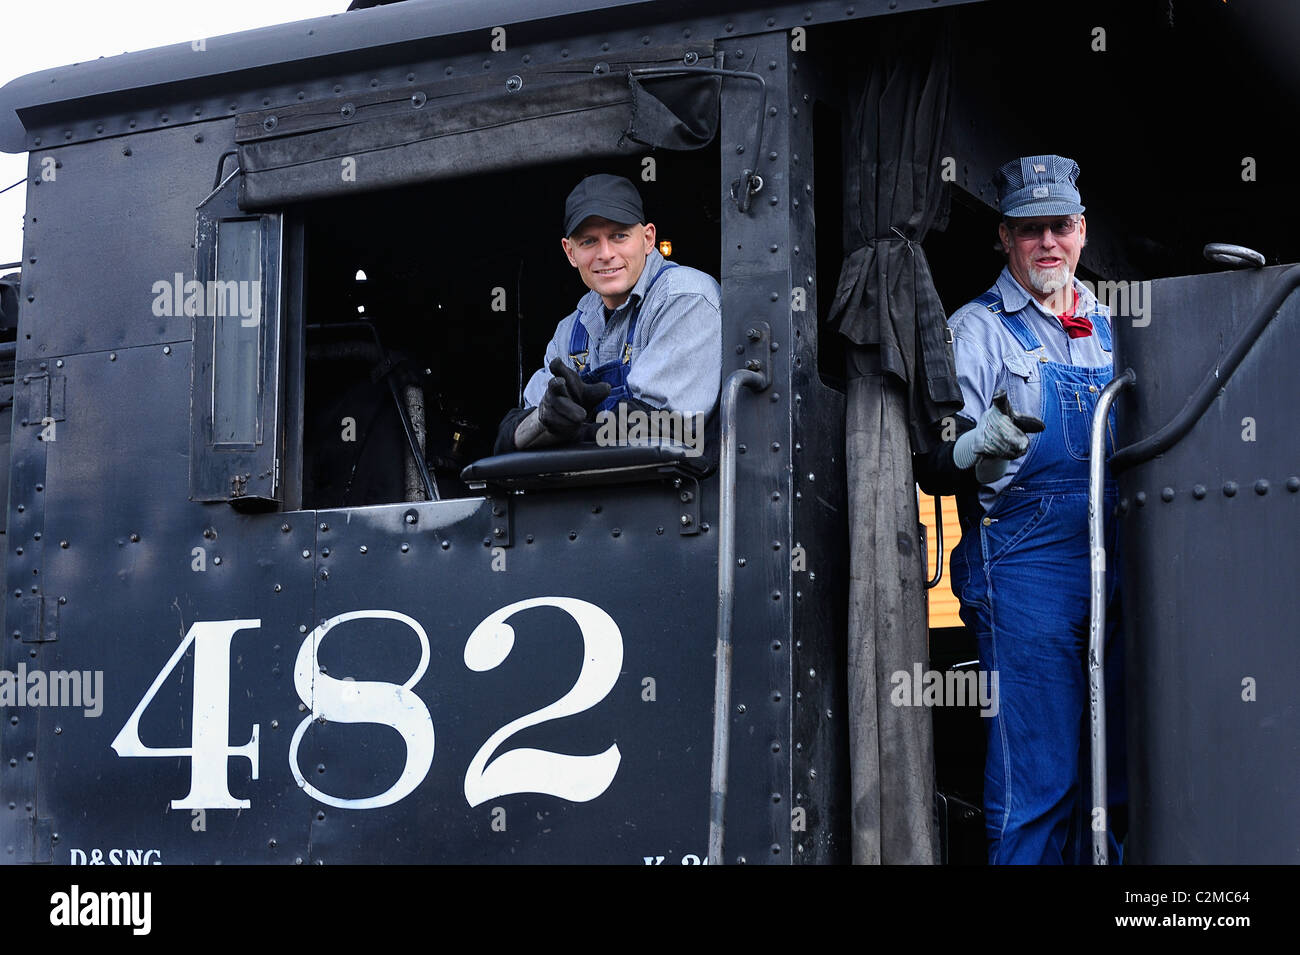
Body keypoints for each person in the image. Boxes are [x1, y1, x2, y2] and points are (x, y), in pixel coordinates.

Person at [917, 155, 1126, 864]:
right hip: (1023, 561)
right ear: (1004, 238)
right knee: (1040, 776)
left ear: (1082, 231)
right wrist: (975, 442)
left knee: (1119, 773)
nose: (1047, 243)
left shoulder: (1115, 323)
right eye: (1030, 229)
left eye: (1059, 227)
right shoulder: (974, 329)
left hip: (1119, 551)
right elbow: (931, 461)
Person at [494, 174, 722, 453]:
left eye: (619, 236)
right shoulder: (569, 331)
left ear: (648, 238)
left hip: (671, 491)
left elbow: (668, 427)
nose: (605, 253)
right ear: (570, 252)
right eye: (589, 241)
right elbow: (510, 436)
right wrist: (543, 418)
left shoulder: (685, 297)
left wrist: (564, 430)